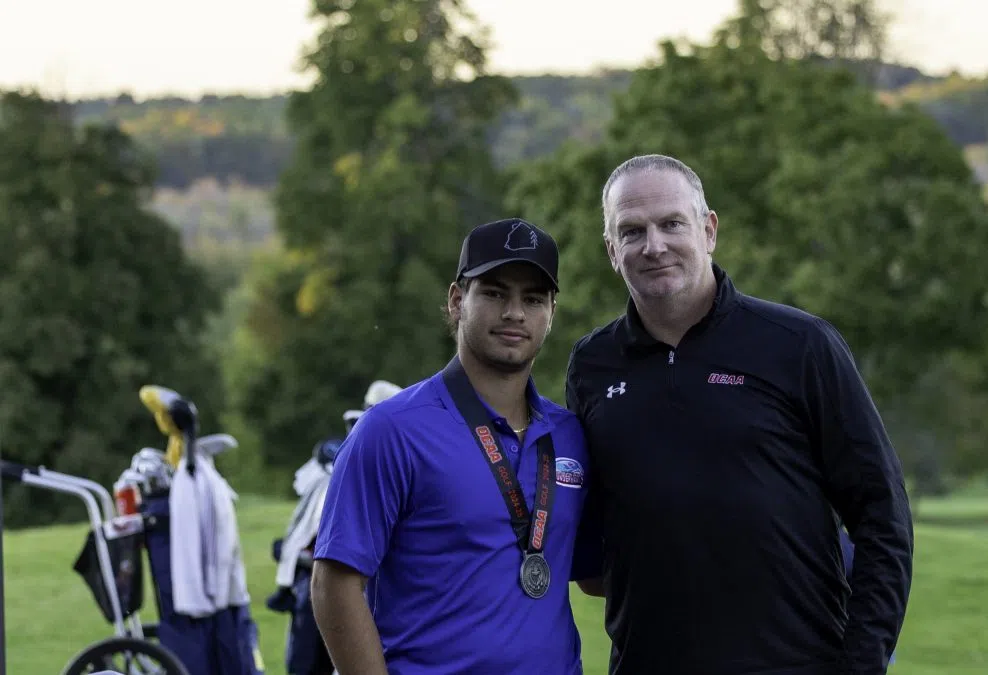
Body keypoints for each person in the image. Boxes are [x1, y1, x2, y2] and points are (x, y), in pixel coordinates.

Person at [566, 155, 914, 675]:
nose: (654, 245)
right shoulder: (591, 366)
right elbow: (596, 541)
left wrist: (862, 663)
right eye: (632, 231)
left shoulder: (799, 345)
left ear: (708, 230)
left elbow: (881, 513)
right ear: (612, 251)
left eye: (672, 224)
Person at [310, 217, 593, 675]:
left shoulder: (571, 436)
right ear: (457, 299)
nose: (515, 313)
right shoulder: (391, 430)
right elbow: (334, 584)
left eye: (533, 298)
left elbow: (598, 575)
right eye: (495, 292)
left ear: (552, 313)